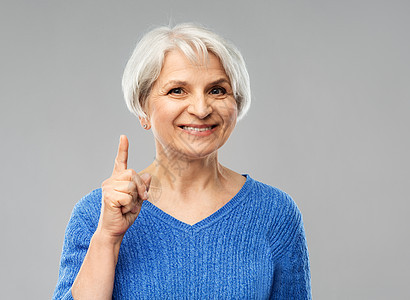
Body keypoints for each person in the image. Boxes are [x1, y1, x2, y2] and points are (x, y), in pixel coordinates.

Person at [53, 23, 311, 299]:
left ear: (236, 103)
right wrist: (107, 238)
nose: (201, 109)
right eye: (177, 90)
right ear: (143, 109)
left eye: (217, 90)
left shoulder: (275, 213)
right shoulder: (96, 215)